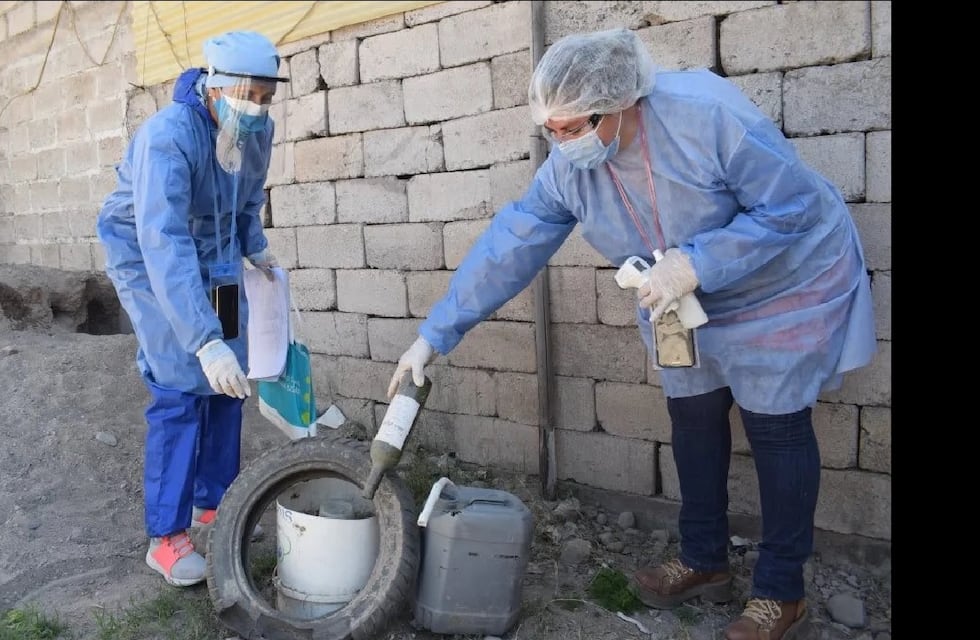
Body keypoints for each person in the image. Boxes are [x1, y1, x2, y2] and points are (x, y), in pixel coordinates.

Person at [386, 28, 875, 640]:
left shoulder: (708, 118)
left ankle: (782, 592)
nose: (562, 144)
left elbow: (792, 208)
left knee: (776, 428)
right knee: (693, 416)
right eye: (551, 131)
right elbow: (511, 244)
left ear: (621, 104)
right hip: (683, 299)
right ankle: (703, 559)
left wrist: (698, 261)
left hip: (780, 286)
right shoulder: (571, 168)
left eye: (574, 127)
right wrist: (433, 335)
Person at [96, 31, 287, 587]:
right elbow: (163, 241)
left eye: (267, 96)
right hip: (149, 258)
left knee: (229, 378)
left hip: (216, 255)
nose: (258, 107)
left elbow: (248, 198)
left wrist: (253, 242)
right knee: (183, 382)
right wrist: (202, 338)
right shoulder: (167, 137)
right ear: (217, 87)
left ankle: (215, 504)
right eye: (249, 94)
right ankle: (167, 536)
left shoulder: (258, 131)